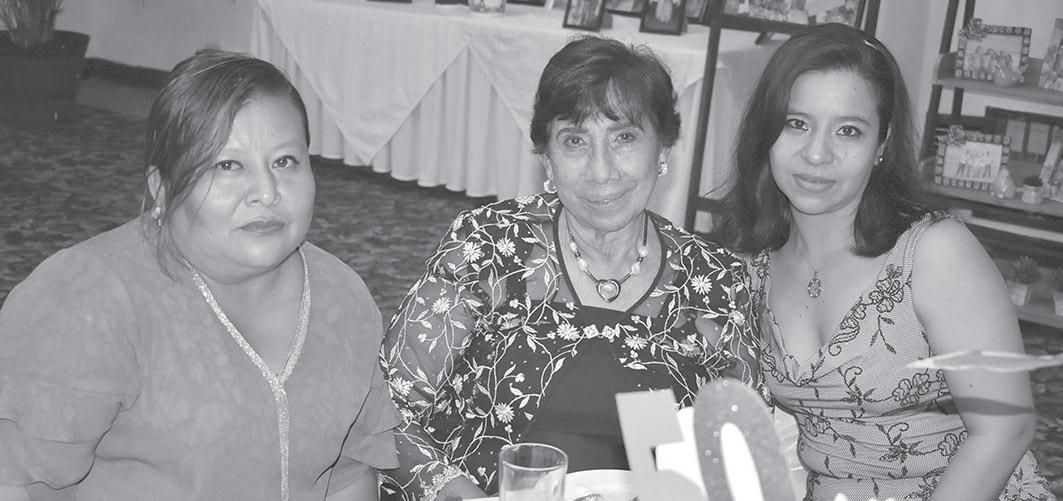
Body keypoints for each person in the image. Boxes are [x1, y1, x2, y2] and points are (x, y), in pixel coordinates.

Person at [0, 50, 399, 501]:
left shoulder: (341, 296)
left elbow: (349, 474)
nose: (266, 192)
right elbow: (17, 480)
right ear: (162, 188)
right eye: (227, 165)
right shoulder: (90, 298)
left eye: (285, 162)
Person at [381, 36, 761, 500]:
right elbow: (384, 404)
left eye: (624, 137)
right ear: (546, 156)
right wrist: (456, 493)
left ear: (663, 148)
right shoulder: (491, 246)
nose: (601, 172)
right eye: (575, 141)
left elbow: (742, 444)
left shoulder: (713, 279)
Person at [711, 23, 1053, 501]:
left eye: (848, 131)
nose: (817, 153)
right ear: (765, 131)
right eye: (796, 123)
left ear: (883, 145)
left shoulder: (933, 252)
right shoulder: (750, 260)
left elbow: (1005, 428)